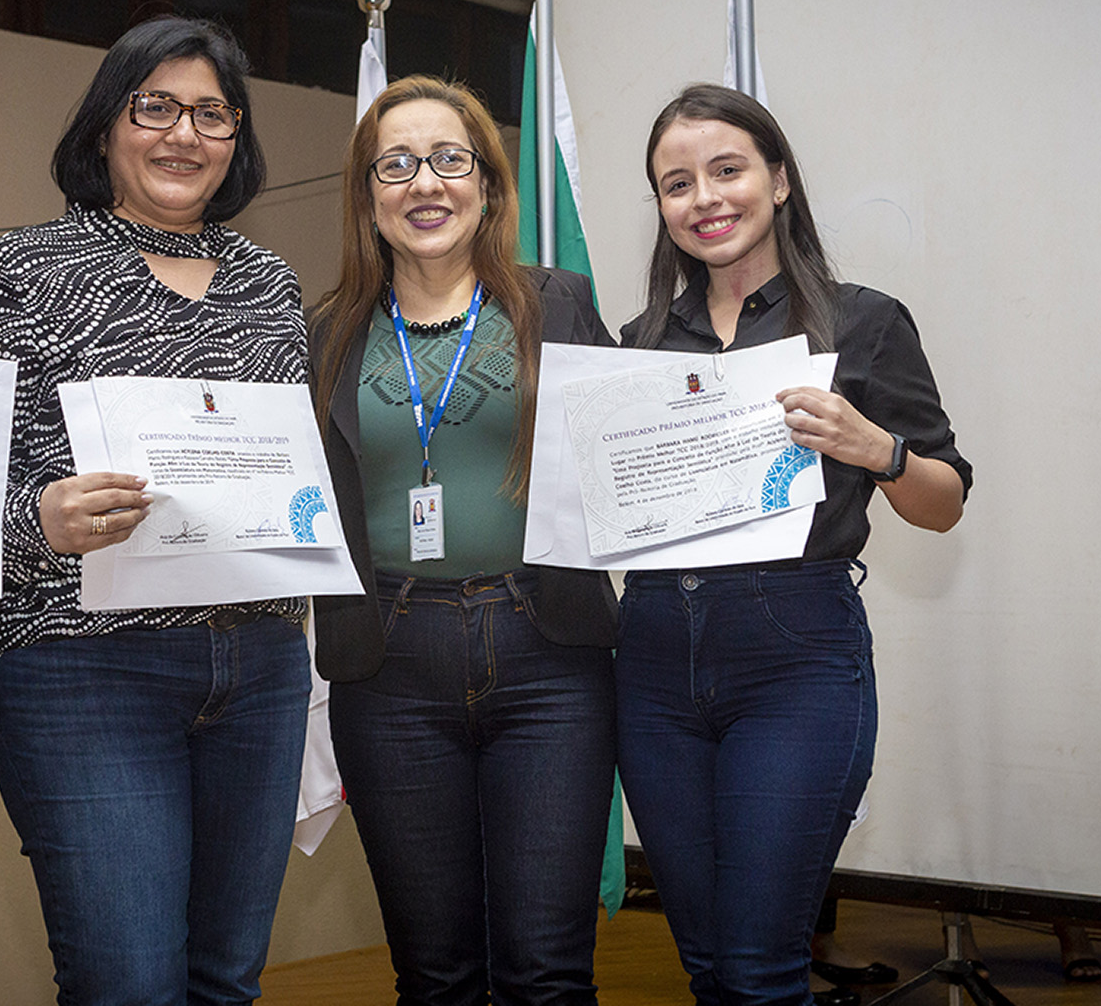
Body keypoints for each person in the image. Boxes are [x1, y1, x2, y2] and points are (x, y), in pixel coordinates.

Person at [614, 84, 972, 1006]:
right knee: (709, 970)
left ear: (778, 181)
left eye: (727, 170)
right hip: (651, 659)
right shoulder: (637, 345)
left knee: (761, 969)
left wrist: (878, 449)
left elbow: (943, 505)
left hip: (796, 655)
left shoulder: (863, 321)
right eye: (677, 184)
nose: (705, 198)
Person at [0, 16, 311, 1006]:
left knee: (225, 981)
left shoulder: (272, 284)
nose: (184, 134)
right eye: (155, 107)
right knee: (124, 982)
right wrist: (38, 518)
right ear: (104, 127)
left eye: (212, 114)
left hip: (259, 669)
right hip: (82, 666)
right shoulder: (22, 267)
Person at [309, 76, 619, 1005]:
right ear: (367, 195)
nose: (425, 183)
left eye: (449, 159)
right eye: (396, 165)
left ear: (486, 184)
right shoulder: (325, 333)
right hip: (388, 665)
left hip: (548, 655)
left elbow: (627, 453)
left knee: (546, 973)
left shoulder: (557, 305)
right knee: (434, 973)